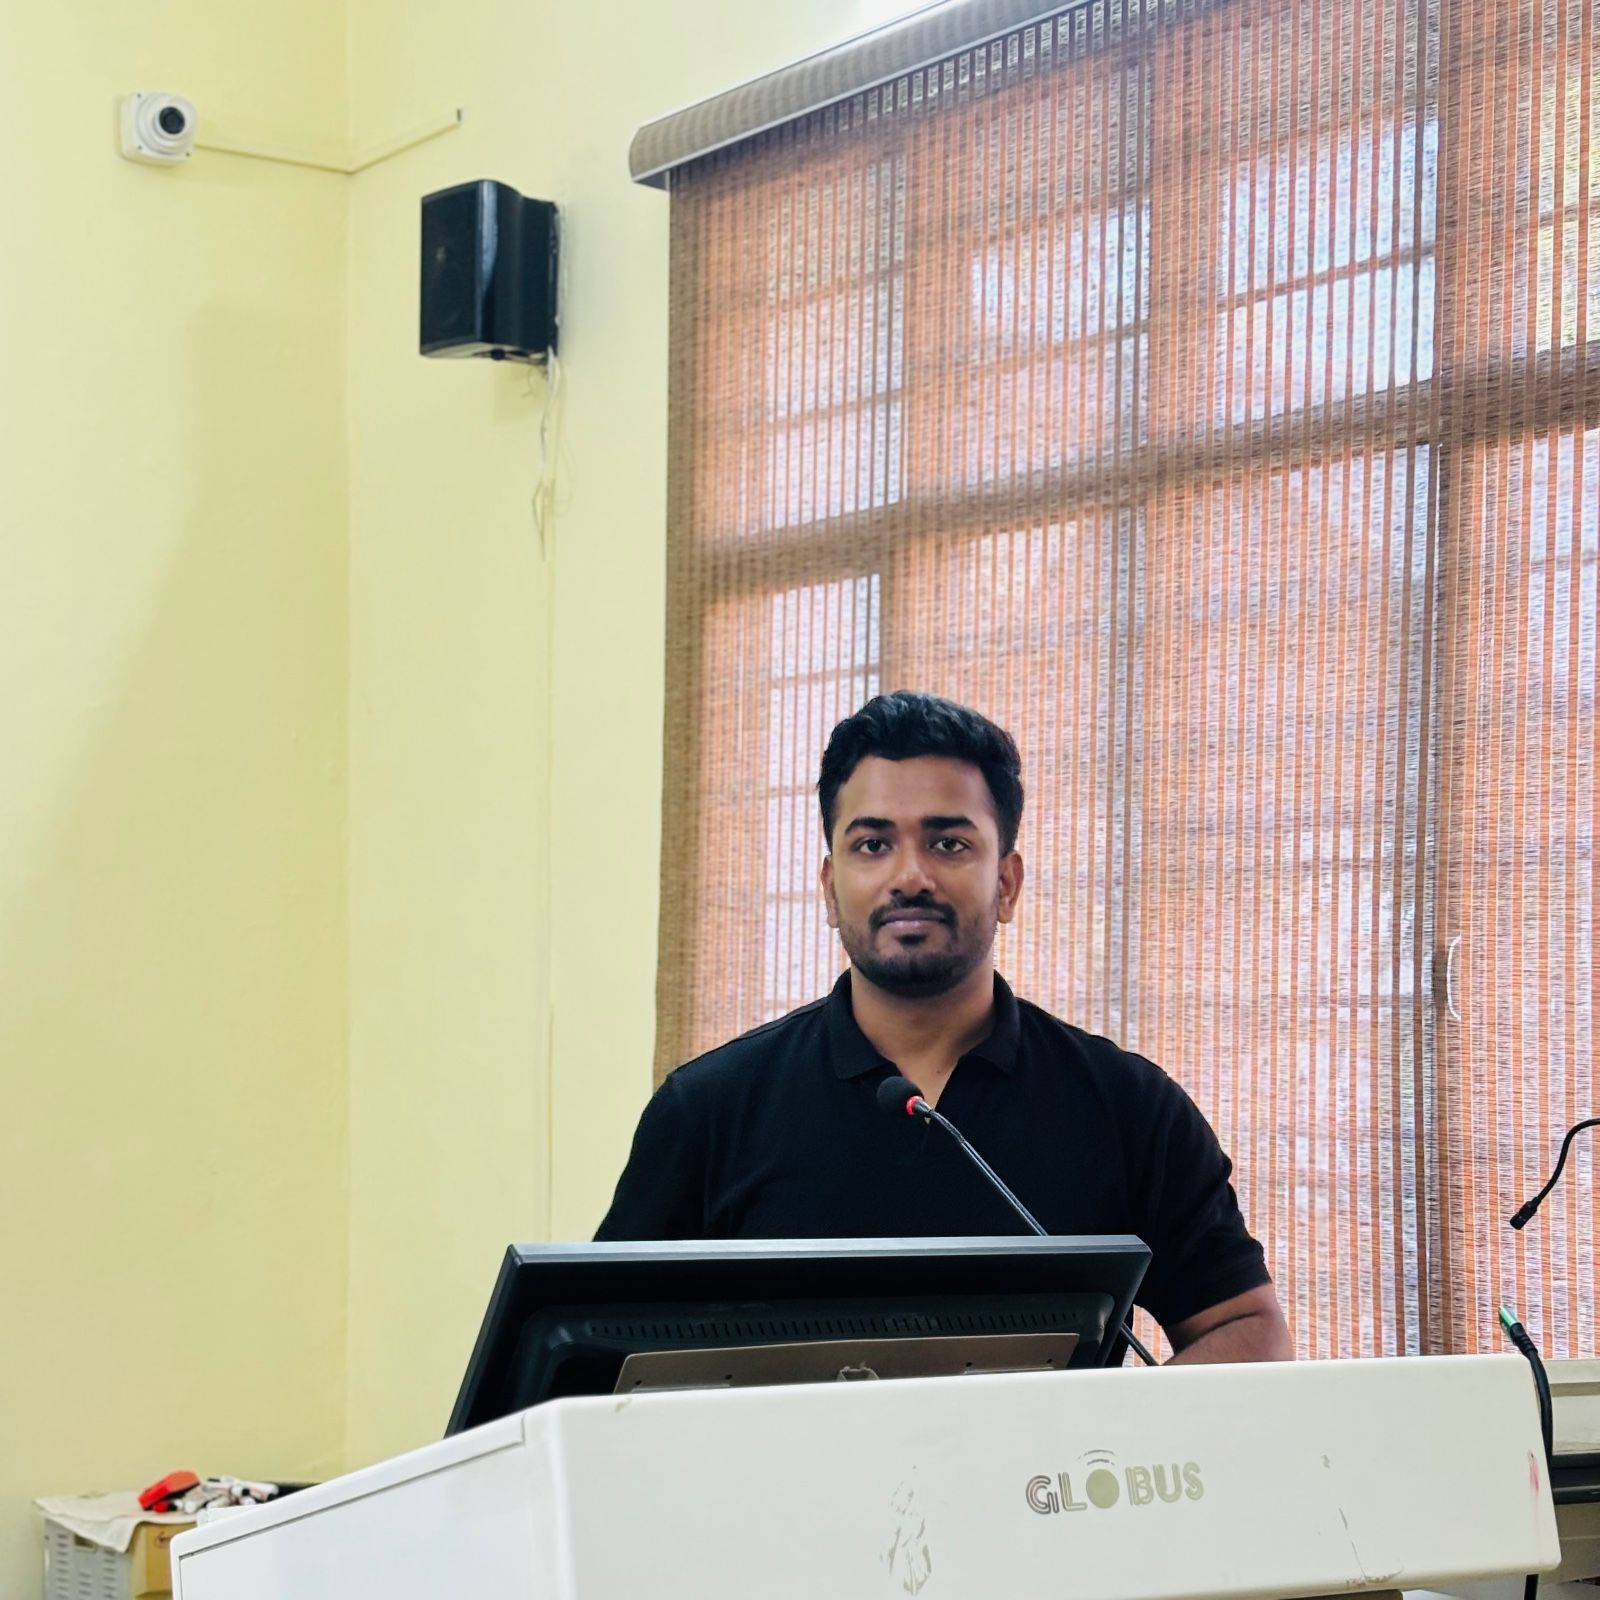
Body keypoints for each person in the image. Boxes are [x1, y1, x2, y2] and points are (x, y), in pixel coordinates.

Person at [597, 691, 1293, 1364]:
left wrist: (1104, 1427)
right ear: (830, 889)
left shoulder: (1128, 1107)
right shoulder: (708, 1110)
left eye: (949, 843)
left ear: (1007, 884)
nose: (910, 877)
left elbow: (1249, 1329)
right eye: (873, 844)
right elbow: (595, 1356)